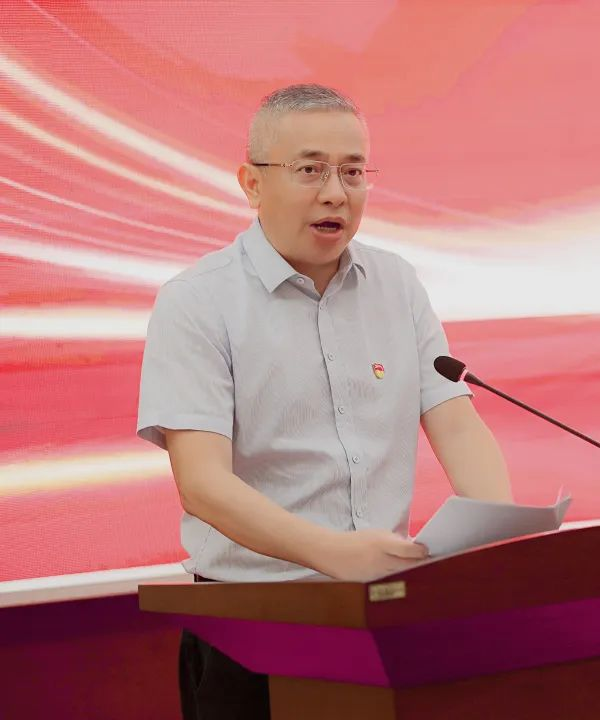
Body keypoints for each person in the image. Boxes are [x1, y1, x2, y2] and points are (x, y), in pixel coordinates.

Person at [136, 83, 513, 720]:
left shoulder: (396, 284)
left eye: (353, 171)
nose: (336, 192)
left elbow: (456, 421)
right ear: (252, 184)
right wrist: (332, 552)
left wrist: (501, 533)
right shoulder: (197, 302)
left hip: (385, 617)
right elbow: (201, 484)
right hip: (251, 627)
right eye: (311, 170)